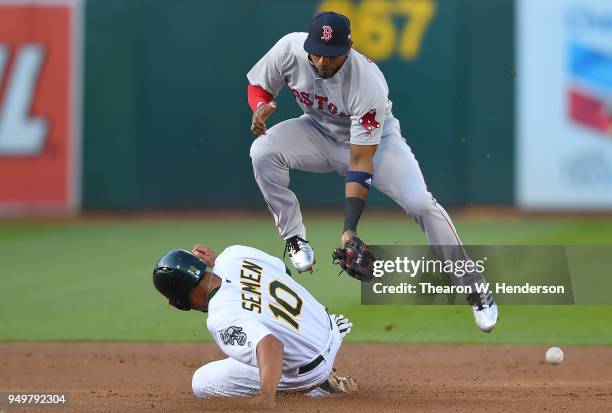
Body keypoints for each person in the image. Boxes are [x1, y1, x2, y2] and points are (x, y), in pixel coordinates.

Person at [246, 11, 498, 333]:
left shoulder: (367, 82)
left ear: (349, 47)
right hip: (317, 132)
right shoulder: (289, 50)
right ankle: (295, 238)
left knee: (420, 203)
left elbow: (361, 160)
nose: (322, 61)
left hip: (378, 146)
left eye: (332, 53)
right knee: (263, 151)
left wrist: (349, 229)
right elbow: (258, 85)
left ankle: (474, 286)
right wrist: (259, 107)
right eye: (317, 52)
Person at [152, 244, 356, 407]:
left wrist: (265, 398)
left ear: (181, 298)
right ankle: (315, 353)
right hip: (327, 327)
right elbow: (284, 272)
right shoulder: (233, 255)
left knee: (202, 382)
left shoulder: (221, 316)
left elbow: (271, 345)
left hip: (310, 369)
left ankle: (319, 389)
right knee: (257, 330)